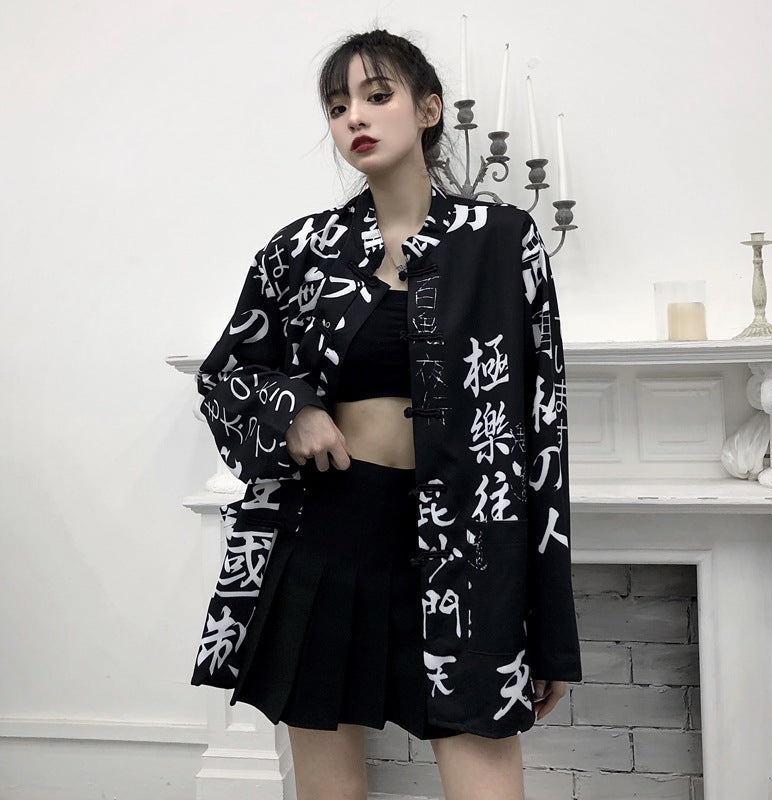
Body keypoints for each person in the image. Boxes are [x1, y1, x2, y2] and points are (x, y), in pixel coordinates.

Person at [190, 27, 581, 800]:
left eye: (376, 96)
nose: (354, 118)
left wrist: (551, 636)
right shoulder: (301, 251)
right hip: (332, 533)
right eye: (338, 107)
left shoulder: (504, 241)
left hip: (468, 546)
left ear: (430, 109)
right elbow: (228, 375)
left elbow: (545, 432)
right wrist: (295, 409)